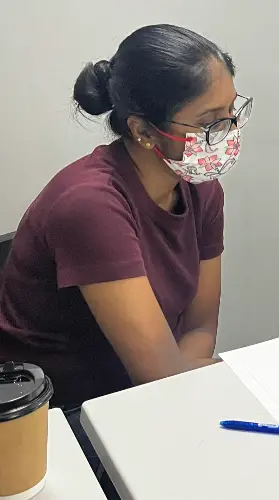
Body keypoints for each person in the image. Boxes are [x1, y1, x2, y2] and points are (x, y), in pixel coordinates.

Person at [0, 24, 252, 411]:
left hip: (144, 394)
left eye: (232, 111)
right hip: (61, 419)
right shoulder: (91, 206)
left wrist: (183, 382)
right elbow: (156, 377)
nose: (228, 131)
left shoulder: (201, 187)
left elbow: (200, 327)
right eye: (209, 122)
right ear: (143, 131)